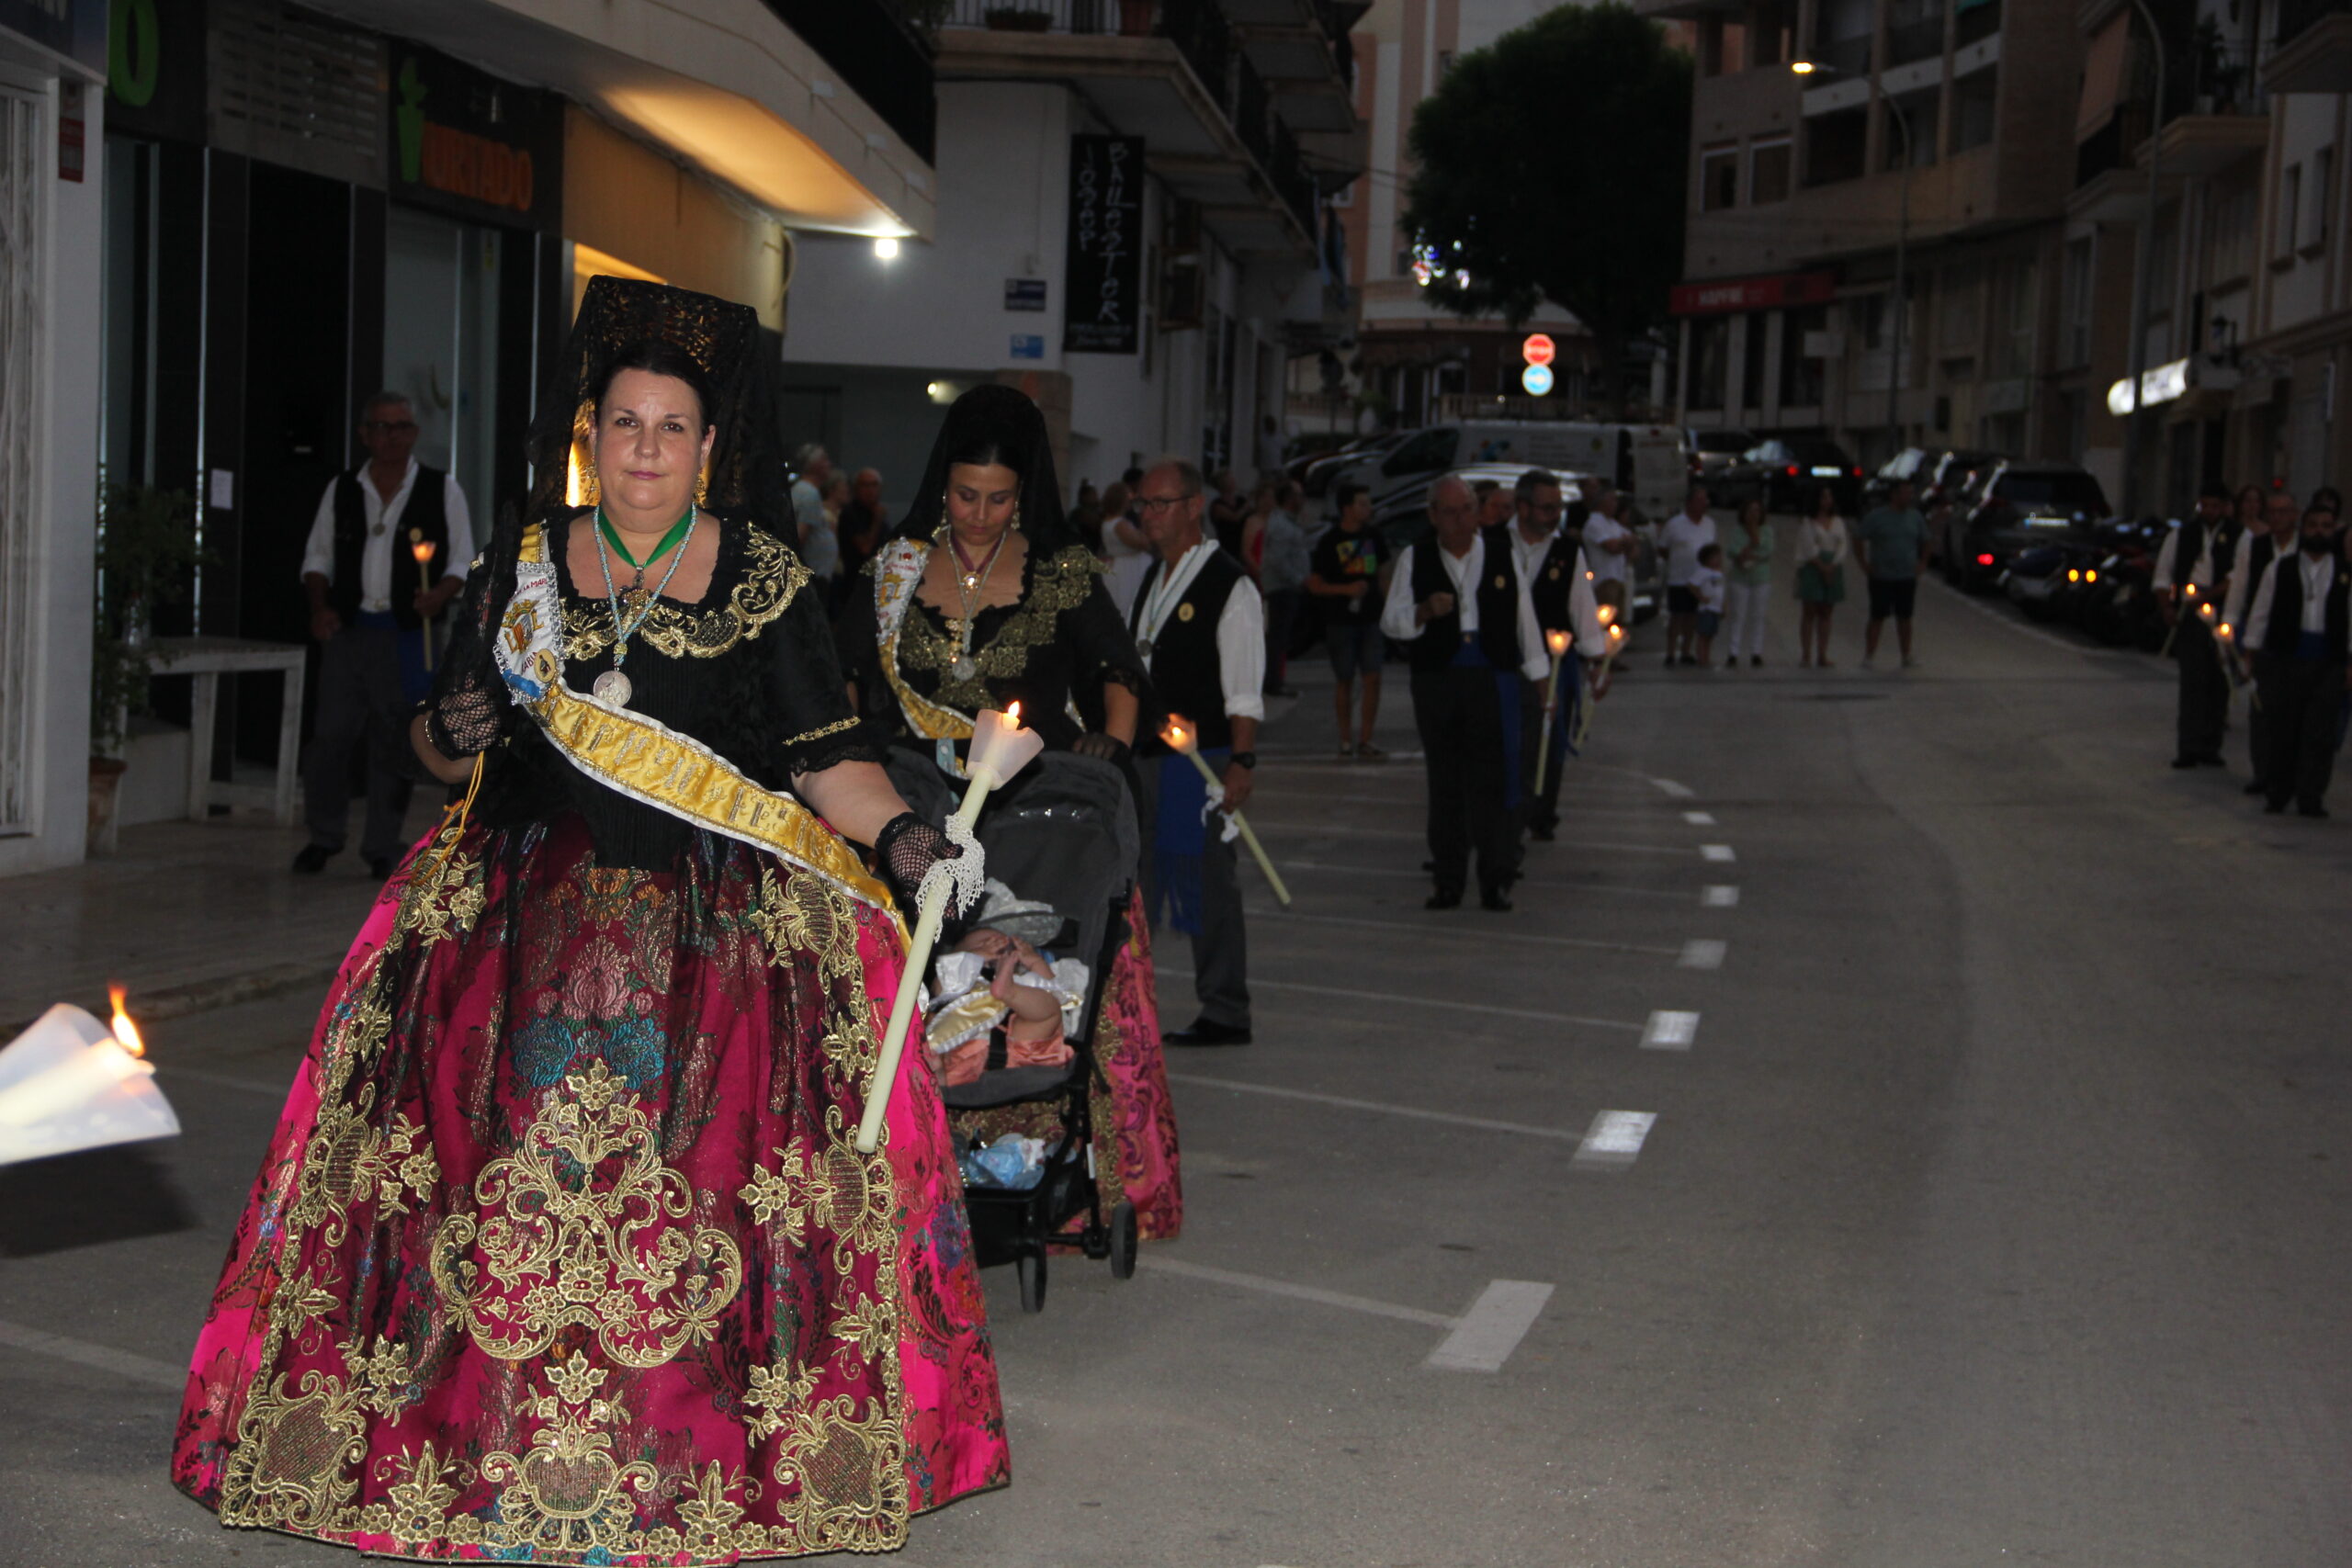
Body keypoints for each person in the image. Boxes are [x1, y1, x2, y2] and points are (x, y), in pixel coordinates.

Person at [174, 278, 1006, 1557]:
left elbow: (823, 755)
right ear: (592, 434)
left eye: (673, 428)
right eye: (625, 424)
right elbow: (442, 754)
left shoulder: (768, 580)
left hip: (712, 939)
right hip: (510, 926)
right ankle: (473, 1446)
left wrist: (898, 832)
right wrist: (448, 730)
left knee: (704, 1192)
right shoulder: (520, 567)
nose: (647, 450)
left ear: (711, 446)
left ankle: (682, 1459)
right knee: (474, 1184)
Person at [835, 384, 1180, 1237]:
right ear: (939, 486)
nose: (979, 515)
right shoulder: (894, 573)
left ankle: (1037, 1148)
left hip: (1033, 810)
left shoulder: (1060, 573)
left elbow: (1117, 671)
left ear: (1022, 493)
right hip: (909, 803)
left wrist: (1113, 746)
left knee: (1033, 959)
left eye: (998, 499)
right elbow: (840, 676)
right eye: (963, 496)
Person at [293, 391, 475, 879]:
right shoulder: (343, 489)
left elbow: (462, 558)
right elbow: (317, 557)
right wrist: (320, 607)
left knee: (395, 741)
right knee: (329, 739)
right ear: (364, 434)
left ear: (413, 434)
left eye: (399, 427)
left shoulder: (442, 489)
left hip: (406, 635)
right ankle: (323, 835)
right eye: (380, 427)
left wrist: (439, 593)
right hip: (350, 633)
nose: (390, 436)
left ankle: (382, 843)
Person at [1129, 457, 1264, 1044]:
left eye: (1160, 504)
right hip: (1151, 756)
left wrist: (1242, 760)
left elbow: (1243, 685)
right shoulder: (1153, 577)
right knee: (1143, 880)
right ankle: (1132, 1006)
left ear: (1192, 507)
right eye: (1143, 504)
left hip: (1199, 759)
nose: (1149, 515)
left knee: (1207, 881)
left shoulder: (1227, 583)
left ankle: (1226, 1008)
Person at [1381, 475, 1550, 911]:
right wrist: (1422, 612)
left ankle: (1496, 879)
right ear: (1433, 515)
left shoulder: (1501, 554)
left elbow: (1523, 618)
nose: (1460, 521)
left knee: (1492, 782)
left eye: (1468, 510)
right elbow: (1391, 621)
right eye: (1450, 512)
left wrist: (1538, 674)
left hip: (1491, 678)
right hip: (1438, 679)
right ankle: (1448, 878)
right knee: (1446, 782)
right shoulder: (1414, 558)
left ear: (1478, 512)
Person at [1515, 468, 1609, 843]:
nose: (1554, 516)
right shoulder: (1490, 543)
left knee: (1548, 738)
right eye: (1545, 508)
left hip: (1554, 662)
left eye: (1558, 508)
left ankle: (1541, 810)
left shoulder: (1568, 553)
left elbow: (1583, 610)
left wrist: (1598, 662)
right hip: (1506, 661)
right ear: (1523, 508)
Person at [2244, 502, 2351, 818]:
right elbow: (2260, 612)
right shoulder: (2281, 568)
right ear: (2303, 530)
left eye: (2326, 526)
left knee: (2319, 733)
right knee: (2284, 728)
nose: (2320, 531)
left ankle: (2311, 795)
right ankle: (2278, 792)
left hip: (2328, 662)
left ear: (2334, 531)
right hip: (2286, 659)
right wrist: (2251, 652)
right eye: (2314, 525)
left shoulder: (2344, 573)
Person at [2156, 480, 2239, 769]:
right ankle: (2188, 746)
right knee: (2193, 681)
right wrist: (2167, 605)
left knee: (2219, 682)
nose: (2210, 511)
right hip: (2190, 615)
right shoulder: (2183, 534)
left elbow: (2237, 578)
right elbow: (2163, 574)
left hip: (2223, 610)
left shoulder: (2238, 537)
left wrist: (2210, 597)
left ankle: (2210, 745)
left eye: (2216, 506)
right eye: (2205, 506)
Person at [2225, 488, 2303, 795]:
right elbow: (2240, 586)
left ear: (2295, 516)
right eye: (2273, 511)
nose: (2278, 517)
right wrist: (2231, 628)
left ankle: (2291, 774)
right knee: (2262, 707)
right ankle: (2263, 772)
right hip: (2262, 635)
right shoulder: (2255, 547)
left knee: (2293, 710)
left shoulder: (2305, 550)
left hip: (2296, 637)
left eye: (2285, 511)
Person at [1307, 479, 1388, 760]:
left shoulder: (1374, 537)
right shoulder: (1330, 542)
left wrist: (1387, 604)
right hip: (1341, 619)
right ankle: (1345, 738)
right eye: (1362, 503)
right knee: (1344, 678)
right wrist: (1346, 590)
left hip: (1370, 617)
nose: (1367, 508)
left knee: (1373, 675)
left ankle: (1366, 738)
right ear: (1347, 508)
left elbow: (1384, 572)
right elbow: (1315, 584)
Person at [1855, 477, 1930, 669]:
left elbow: (1926, 540)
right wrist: (1864, 564)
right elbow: (1859, 537)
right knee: (1877, 615)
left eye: (1910, 493)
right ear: (1894, 495)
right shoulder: (1877, 517)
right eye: (1905, 493)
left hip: (1906, 575)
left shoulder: (1915, 517)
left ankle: (1906, 654)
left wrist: (1922, 563)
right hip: (1881, 575)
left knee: (1905, 617)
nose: (1909, 497)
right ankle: (1869, 655)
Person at [1259, 479, 1312, 697]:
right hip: (1281, 588)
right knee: (1277, 637)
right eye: (1298, 495)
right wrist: (1299, 579)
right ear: (1289, 499)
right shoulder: (1281, 524)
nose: (1303, 499)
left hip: (1287, 587)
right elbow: (1277, 560)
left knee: (1281, 637)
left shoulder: (1288, 522)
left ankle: (1274, 680)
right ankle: (1272, 682)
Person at [1660, 483, 1717, 667]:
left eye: (1705, 500)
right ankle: (1670, 652)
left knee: (1692, 617)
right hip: (1679, 577)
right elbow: (1663, 548)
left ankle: (1686, 650)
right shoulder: (1675, 524)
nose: (1703, 503)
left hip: (1701, 579)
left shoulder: (1709, 524)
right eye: (1699, 500)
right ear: (1689, 503)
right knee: (1677, 616)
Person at [1793, 487, 1849, 669]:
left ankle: (1822, 653)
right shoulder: (1808, 522)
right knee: (1809, 611)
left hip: (1832, 565)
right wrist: (1822, 566)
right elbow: (1809, 547)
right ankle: (1806, 654)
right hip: (1813, 565)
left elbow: (1842, 545)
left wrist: (1833, 564)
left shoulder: (1838, 522)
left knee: (1826, 611)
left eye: (1829, 497)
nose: (1827, 501)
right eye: (1823, 497)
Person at [1723, 498, 1776, 668]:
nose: (1754, 514)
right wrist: (1746, 552)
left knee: (1758, 615)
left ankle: (1756, 652)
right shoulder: (1737, 531)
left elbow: (1766, 549)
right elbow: (1732, 550)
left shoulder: (1766, 530)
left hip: (1760, 577)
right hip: (1740, 577)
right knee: (1738, 614)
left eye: (1757, 511)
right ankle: (1733, 652)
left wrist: (1753, 537)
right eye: (1750, 511)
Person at [1099, 471, 1154, 618]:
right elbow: (1142, 543)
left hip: (1122, 565)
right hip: (1129, 568)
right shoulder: (1120, 524)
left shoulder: (1108, 521)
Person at [1580, 482, 1635, 623]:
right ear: (1602, 501)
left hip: (1619, 577)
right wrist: (1625, 543)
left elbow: (1633, 547)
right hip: (1603, 579)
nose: (1615, 504)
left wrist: (1624, 543)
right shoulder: (1594, 523)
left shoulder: (1614, 525)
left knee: (1618, 622)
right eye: (1612, 499)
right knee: (1605, 622)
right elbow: (1612, 547)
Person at [791, 440, 839, 581]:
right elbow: (801, 535)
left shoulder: (805, 490)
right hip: (813, 575)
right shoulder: (809, 494)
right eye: (824, 459)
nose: (829, 464)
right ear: (814, 464)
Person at [837, 464, 888, 586]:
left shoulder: (875, 511)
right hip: (856, 581)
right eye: (865, 485)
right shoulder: (850, 513)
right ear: (856, 488)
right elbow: (865, 549)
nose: (870, 490)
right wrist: (877, 521)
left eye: (874, 485)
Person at [1691, 543, 1727, 667]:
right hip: (1706, 608)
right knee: (1703, 634)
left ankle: (1706, 656)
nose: (1718, 560)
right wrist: (1701, 597)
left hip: (1716, 608)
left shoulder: (1719, 573)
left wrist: (1723, 606)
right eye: (1715, 558)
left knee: (1711, 634)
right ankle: (1701, 657)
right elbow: (1691, 585)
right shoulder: (1703, 572)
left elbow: (1721, 591)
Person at [1207, 468, 1250, 556]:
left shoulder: (1240, 500)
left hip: (1243, 544)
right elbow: (1235, 517)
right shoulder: (1218, 505)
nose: (1234, 481)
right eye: (1230, 479)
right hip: (1227, 546)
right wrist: (1245, 507)